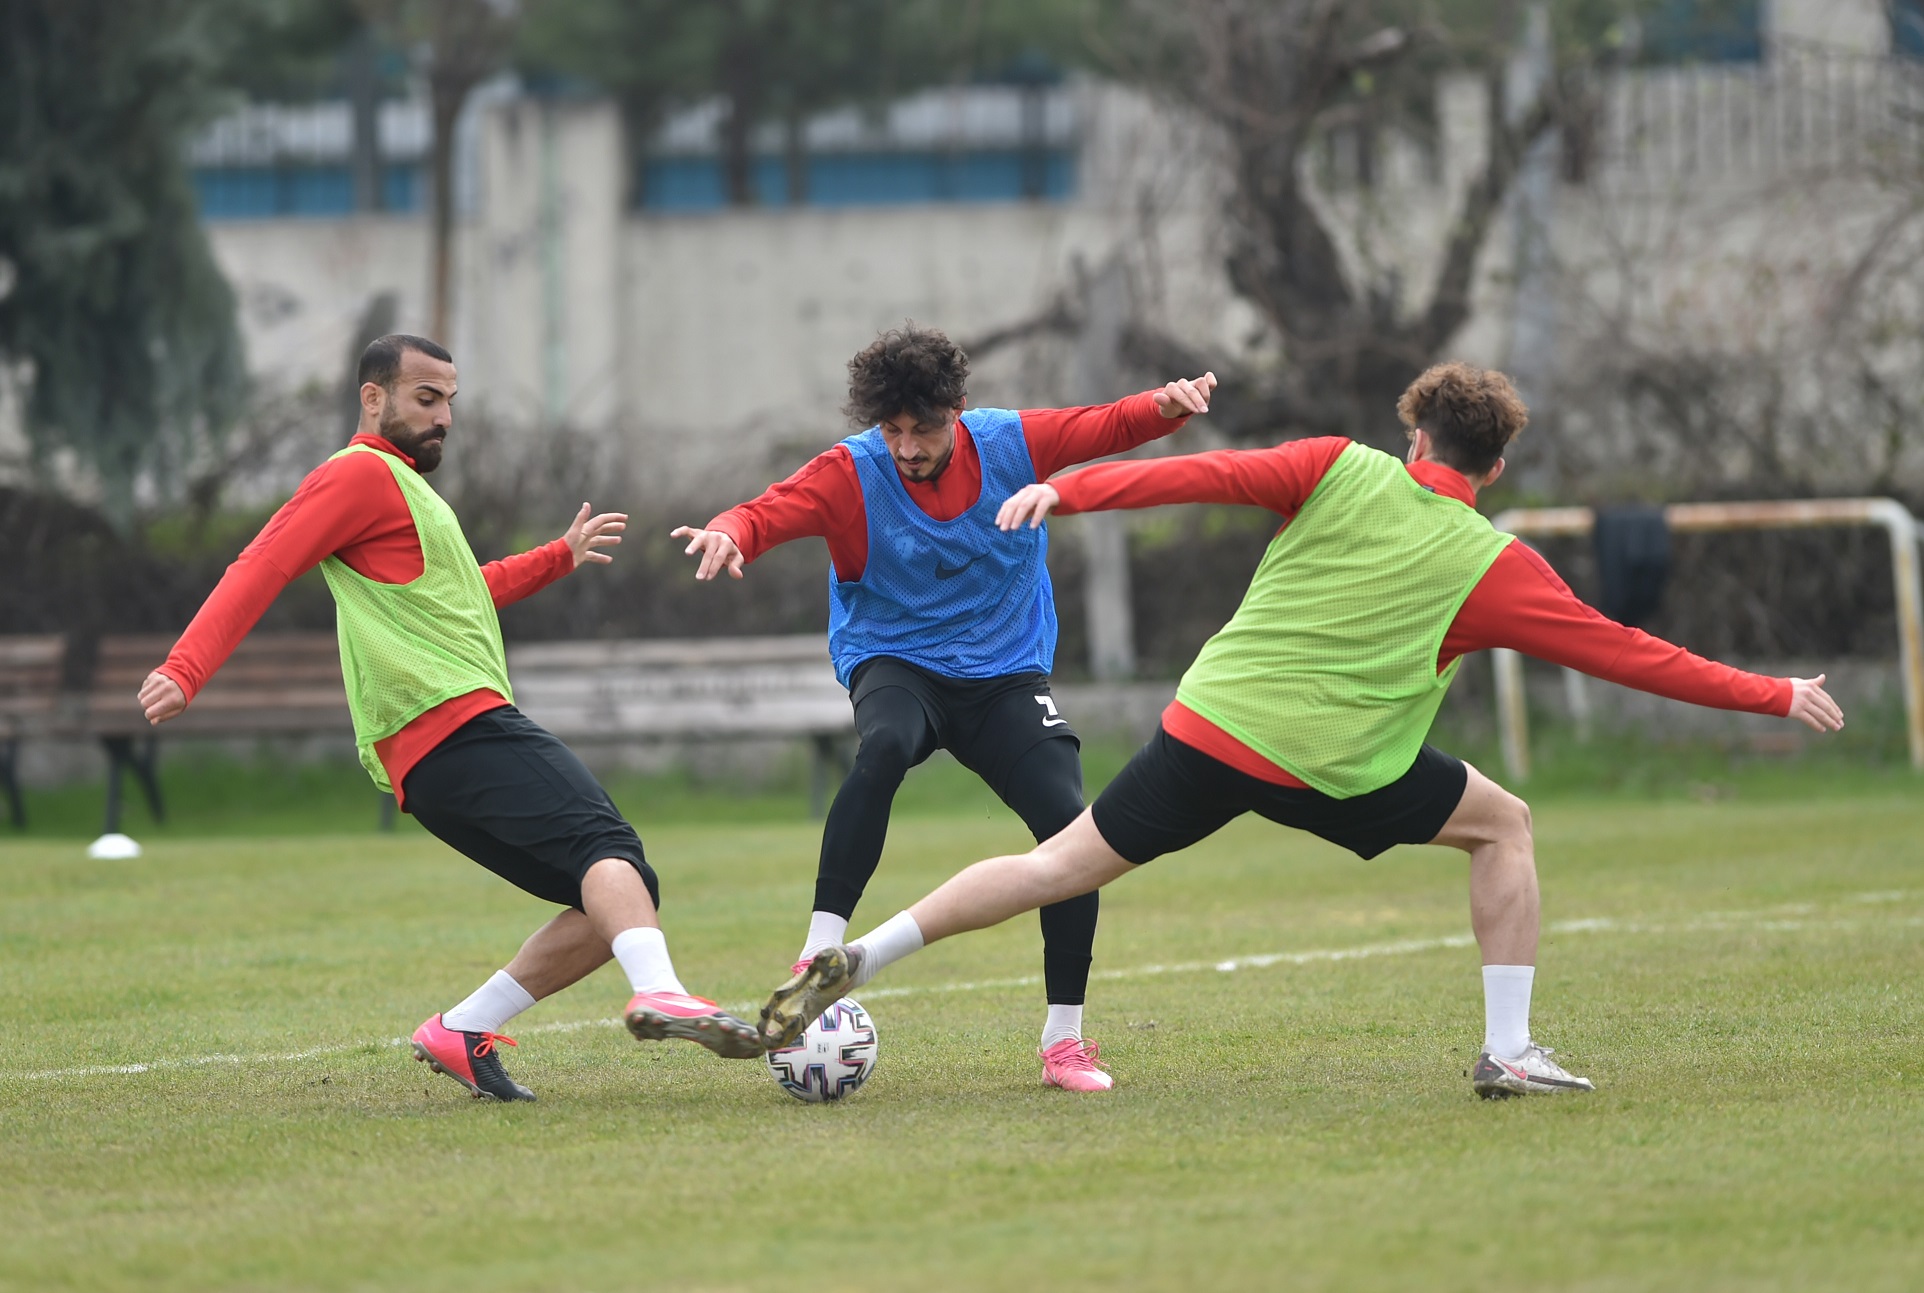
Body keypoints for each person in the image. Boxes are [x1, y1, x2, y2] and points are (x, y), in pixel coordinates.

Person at [758, 361, 1846, 1099]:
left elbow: (1202, 474)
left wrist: (1070, 494)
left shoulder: (1335, 463)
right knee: (1503, 824)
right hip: (1335, 769)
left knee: (1057, 865)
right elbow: (1630, 653)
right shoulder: (1497, 565)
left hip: (1208, 727)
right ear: (1494, 469)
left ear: (1412, 438)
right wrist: (1771, 692)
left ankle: (864, 954)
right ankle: (1509, 1050)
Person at [139, 334, 761, 1103]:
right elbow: (262, 563)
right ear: (374, 398)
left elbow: (464, 592)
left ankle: (463, 1028)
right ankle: (662, 992)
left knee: (616, 891)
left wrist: (558, 556)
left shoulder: (404, 489)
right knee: (608, 851)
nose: (444, 417)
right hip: (452, 723)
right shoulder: (357, 474)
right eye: (426, 398)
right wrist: (185, 667)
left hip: (434, 751)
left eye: (450, 402)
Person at [673, 324, 1215, 1092]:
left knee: (1074, 834)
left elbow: (1103, 425)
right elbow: (764, 512)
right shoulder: (851, 471)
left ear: (957, 410)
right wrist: (728, 532)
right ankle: (817, 954)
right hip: (897, 660)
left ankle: (1064, 1043)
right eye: (890, 430)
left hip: (1005, 674)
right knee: (886, 744)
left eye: (921, 429)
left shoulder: (1009, 445)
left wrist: (1166, 406)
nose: (905, 447)